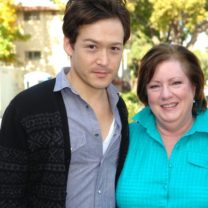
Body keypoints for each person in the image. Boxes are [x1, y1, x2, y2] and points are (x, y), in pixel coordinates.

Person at [0, 0, 130, 207]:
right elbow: (7, 194)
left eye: (114, 48)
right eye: (92, 46)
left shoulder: (119, 107)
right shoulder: (27, 108)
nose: (104, 60)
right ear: (69, 44)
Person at [116, 43, 208, 207]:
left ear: (194, 87)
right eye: (155, 86)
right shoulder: (124, 138)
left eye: (176, 83)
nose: (165, 94)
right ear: (146, 92)